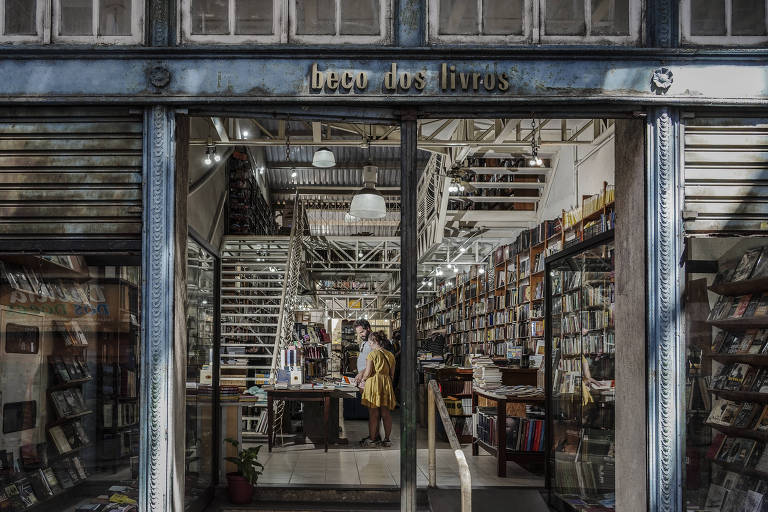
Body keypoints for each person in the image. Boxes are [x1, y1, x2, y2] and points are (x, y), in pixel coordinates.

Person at [356, 331, 396, 447]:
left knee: (373, 413)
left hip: (374, 384)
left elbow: (368, 373)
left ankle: (373, 439)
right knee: (386, 413)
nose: (368, 343)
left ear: (374, 341)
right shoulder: (390, 355)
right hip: (386, 383)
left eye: (369, 341)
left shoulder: (372, 355)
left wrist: (361, 379)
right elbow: (392, 374)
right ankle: (387, 439)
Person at [354, 318, 373, 383]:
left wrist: (362, 372)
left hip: (370, 377)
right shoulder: (364, 341)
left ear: (368, 328)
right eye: (358, 333)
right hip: (363, 377)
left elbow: (376, 363)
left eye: (362, 332)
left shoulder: (375, 343)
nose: (360, 335)